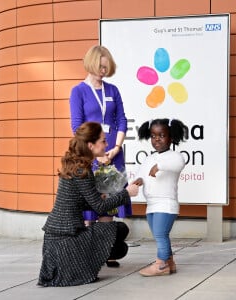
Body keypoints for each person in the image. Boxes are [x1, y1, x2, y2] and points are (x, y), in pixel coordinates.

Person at [37, 122, 139, 287]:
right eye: (103, 141)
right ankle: (80, 265)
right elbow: (99, 207)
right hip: (66, 240)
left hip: (57, 239)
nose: (107, 144)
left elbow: (79, 202)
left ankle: (84, 261)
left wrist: (98, 197)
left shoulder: (76, 165)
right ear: (91, 145)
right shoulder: (82, 170)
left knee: (119, 243)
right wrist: (126, 193)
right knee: (120, 235)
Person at [69, 45, 131, 267]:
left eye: (107, 67)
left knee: (110, 204)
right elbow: (77, 127)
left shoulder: (113, 90)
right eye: (100, 66)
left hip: (113, 153)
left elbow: (122, 119)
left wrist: (116, 148)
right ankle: (88, 253)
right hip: (92, 156)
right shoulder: (78, 91)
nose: (104, 71)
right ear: (91, 64)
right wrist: (95, 156)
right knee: (90, 206)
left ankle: (107, 250)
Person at [133, 118, 186, 276]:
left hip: (166, 204)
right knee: (160, 234)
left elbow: (179, 164)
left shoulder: (174, 156)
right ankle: (170, 262)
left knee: (160, 234)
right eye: (153, 136)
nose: (157, 139)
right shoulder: (149, 159)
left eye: (161, 135)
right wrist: (138, 181)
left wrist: (160, 166)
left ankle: (160, 265)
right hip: (152, 205)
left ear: (171, 137)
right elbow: (141, 174)